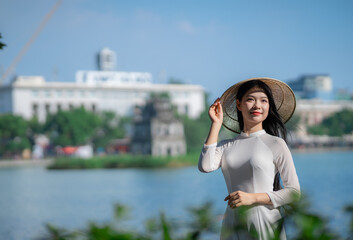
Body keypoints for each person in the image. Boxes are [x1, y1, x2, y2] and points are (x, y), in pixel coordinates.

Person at [198, 78, 300, 240]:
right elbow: (205, 166)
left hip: (265, 222)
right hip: (233, 222)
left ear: (269, 106)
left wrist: (251, 198)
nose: (257, 105)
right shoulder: (226, 146)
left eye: (264, 101)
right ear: (239, 104)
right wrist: (216, 124)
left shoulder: (275, 143)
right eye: (250, 99)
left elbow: (294, 193)